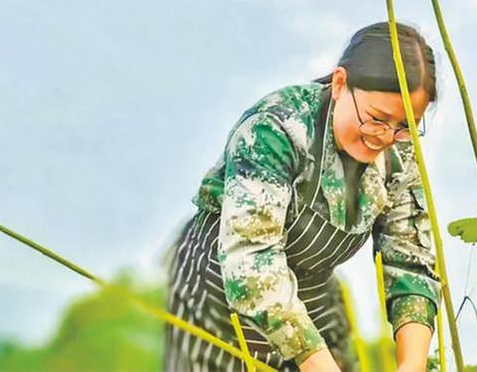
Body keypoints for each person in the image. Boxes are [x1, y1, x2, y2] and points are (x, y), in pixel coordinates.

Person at [163, 21, 441, 372]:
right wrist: (317, 365)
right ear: (340, 83)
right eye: (376, 119)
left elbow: (410, 262)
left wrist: (411, 364)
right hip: (218, 298)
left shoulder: (400, 154)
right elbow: (252, 262)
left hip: (311, 303)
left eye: (405, 126)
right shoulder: (275, 130)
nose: (386, 137)